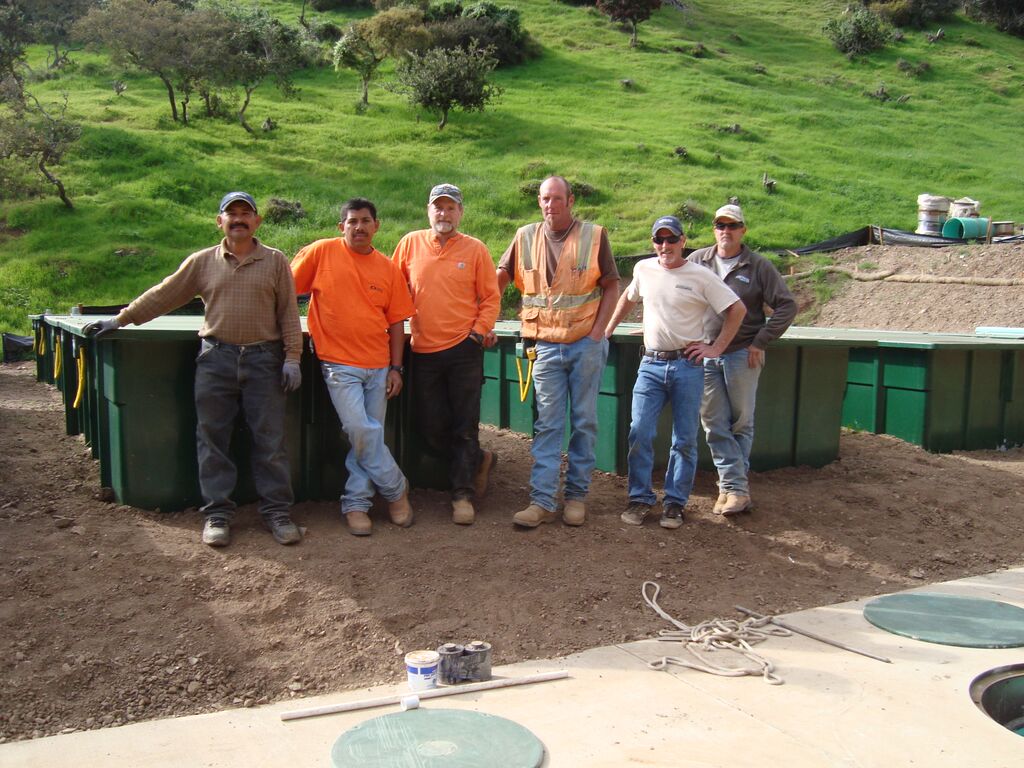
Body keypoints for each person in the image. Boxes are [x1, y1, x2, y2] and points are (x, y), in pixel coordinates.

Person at [84, 192, 303, 548]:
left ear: (257, 222)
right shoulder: (202, 262)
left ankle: (277, 513)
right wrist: (121, 318)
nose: (239, 220)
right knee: (212, 439)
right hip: (216, 360)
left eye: (246, 214)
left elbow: (288, 316)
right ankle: (218, 514)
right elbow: (164, 294)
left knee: (271, 440)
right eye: (231, 214)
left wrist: (292, 358)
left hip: (265, 361)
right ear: (220, 222)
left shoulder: (275, 261)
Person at [605, 216, 745, 528]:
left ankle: (674, 503)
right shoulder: (644, 269)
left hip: (689, 366)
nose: (665, 246)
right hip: (651, 365)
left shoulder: (701, 276)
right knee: (639, 431)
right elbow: (628, 298)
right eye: (659, 240)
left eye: (671, 240)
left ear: (683, 241)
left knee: (683, 439)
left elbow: (737, 310)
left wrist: (716, 347)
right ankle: (640, 499)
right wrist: (607, 329)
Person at [496, 176, 620, 528]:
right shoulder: (525, 236)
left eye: (556, 199)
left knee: (584, 422)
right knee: (547, 424)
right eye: (544, 199)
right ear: (539, 202)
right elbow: (500, 278)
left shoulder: (594, 235)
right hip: (545, 346)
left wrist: (598, 333)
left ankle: (576, 497)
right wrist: (482, 314)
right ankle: (541, 501)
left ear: (571, 200)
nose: (550, 205)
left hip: (585, 344)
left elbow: (612, 286)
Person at [291, 198, 416, 536]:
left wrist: (396, 368)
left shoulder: (388, 268)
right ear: (341, 227)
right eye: (352, 221)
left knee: (367, 437)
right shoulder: (320, 253)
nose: (358, 227)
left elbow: (396, 324)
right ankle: (396, 489)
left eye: (365, 221)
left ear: (376, 226)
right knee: (361, 430)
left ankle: (357, 504)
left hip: (378, 367)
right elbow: (286, 290)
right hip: (338, 364)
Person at [393, 183, 501, 525]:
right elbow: (394, 290)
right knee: (430, 426)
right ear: (428, 212)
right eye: (438, 207)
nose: (444, 213)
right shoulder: (410, 243)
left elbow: (490, 297)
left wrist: (478, 333)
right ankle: (480, 459)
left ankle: (462, 495)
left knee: (465, 425)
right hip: (422, 349)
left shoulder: (476, 249)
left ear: (460, 212)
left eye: (451, 208)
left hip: (464, 350)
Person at [688, 204, 797, 516]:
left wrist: (761, 340)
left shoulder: (759, 266)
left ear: (743, 230)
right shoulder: (698, 261)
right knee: (713, 423)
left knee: (741, 422)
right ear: (714, 229)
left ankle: (730, 488)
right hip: (705, 353)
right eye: (720, 225)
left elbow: (787, 306)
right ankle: (735, 488)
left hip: (741, 354)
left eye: (732, 226)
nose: (726, 231)